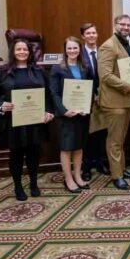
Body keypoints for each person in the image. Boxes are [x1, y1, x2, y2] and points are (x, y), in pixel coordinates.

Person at [0, 38, 54, 201]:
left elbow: (47, 94)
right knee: (16, 154)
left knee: (34, 153)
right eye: (19, 49)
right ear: (13, 52)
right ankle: (18, 186)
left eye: (25, 49)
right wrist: (1, 105)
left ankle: (33, 184)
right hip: (13, 121)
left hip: (35, 120)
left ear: (30, 52)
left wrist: (48, 111)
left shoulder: (38, 71)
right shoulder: (1, 72)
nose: (22, 52)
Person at [98, 15, 130, 190]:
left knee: (120, 138)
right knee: (114, 141)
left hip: (125, 100)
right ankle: (116, 176)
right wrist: (128, 86)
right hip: (114, 102)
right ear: (115, 25)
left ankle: (121, 169)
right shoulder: (108, 46)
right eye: (122, 24)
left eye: (128, 25)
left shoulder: (125, 43)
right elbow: (106, 76)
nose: (125, 27)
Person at [49, 37, 91, 193]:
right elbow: (54, 93)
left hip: (81, 114)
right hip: (65, 115)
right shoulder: (57, 68)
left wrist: (87, 105)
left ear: (80, 49)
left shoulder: (84, 67)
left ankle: (78, 176)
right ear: (65, 50)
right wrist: (64, 110)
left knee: (79, 147)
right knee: (67, 148)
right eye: (69, 48)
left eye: (75, 48)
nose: (72, 51)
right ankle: (68, 179)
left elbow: (88, 88)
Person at [80, 23, 108, 181]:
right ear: (83, 36)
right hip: (86, 99)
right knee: (88, 133)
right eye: (88, 33)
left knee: (102, 131)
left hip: (104, 97)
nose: (91, 36)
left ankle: (101, 162)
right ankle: (87, 166)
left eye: (94, 33)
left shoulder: (103, 51)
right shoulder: (79, 53)